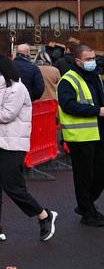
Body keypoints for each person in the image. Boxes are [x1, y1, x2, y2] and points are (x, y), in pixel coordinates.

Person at [0, 54, 58, 242]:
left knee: (13, 186)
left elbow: (7, 115)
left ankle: (43, 214)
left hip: (13, 144)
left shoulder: (17, 89)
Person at [57, 43, 104, 226]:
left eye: (93, 58)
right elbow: (68, 105)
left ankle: (86, 205)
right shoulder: (68, 80)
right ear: (78, 61)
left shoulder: (94, 76)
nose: (92, 62)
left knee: (99, 173)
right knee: (84, 176)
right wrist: (96, 111)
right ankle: (87, 212)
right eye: (88, 59)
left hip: (98, 132)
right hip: (80, 136)